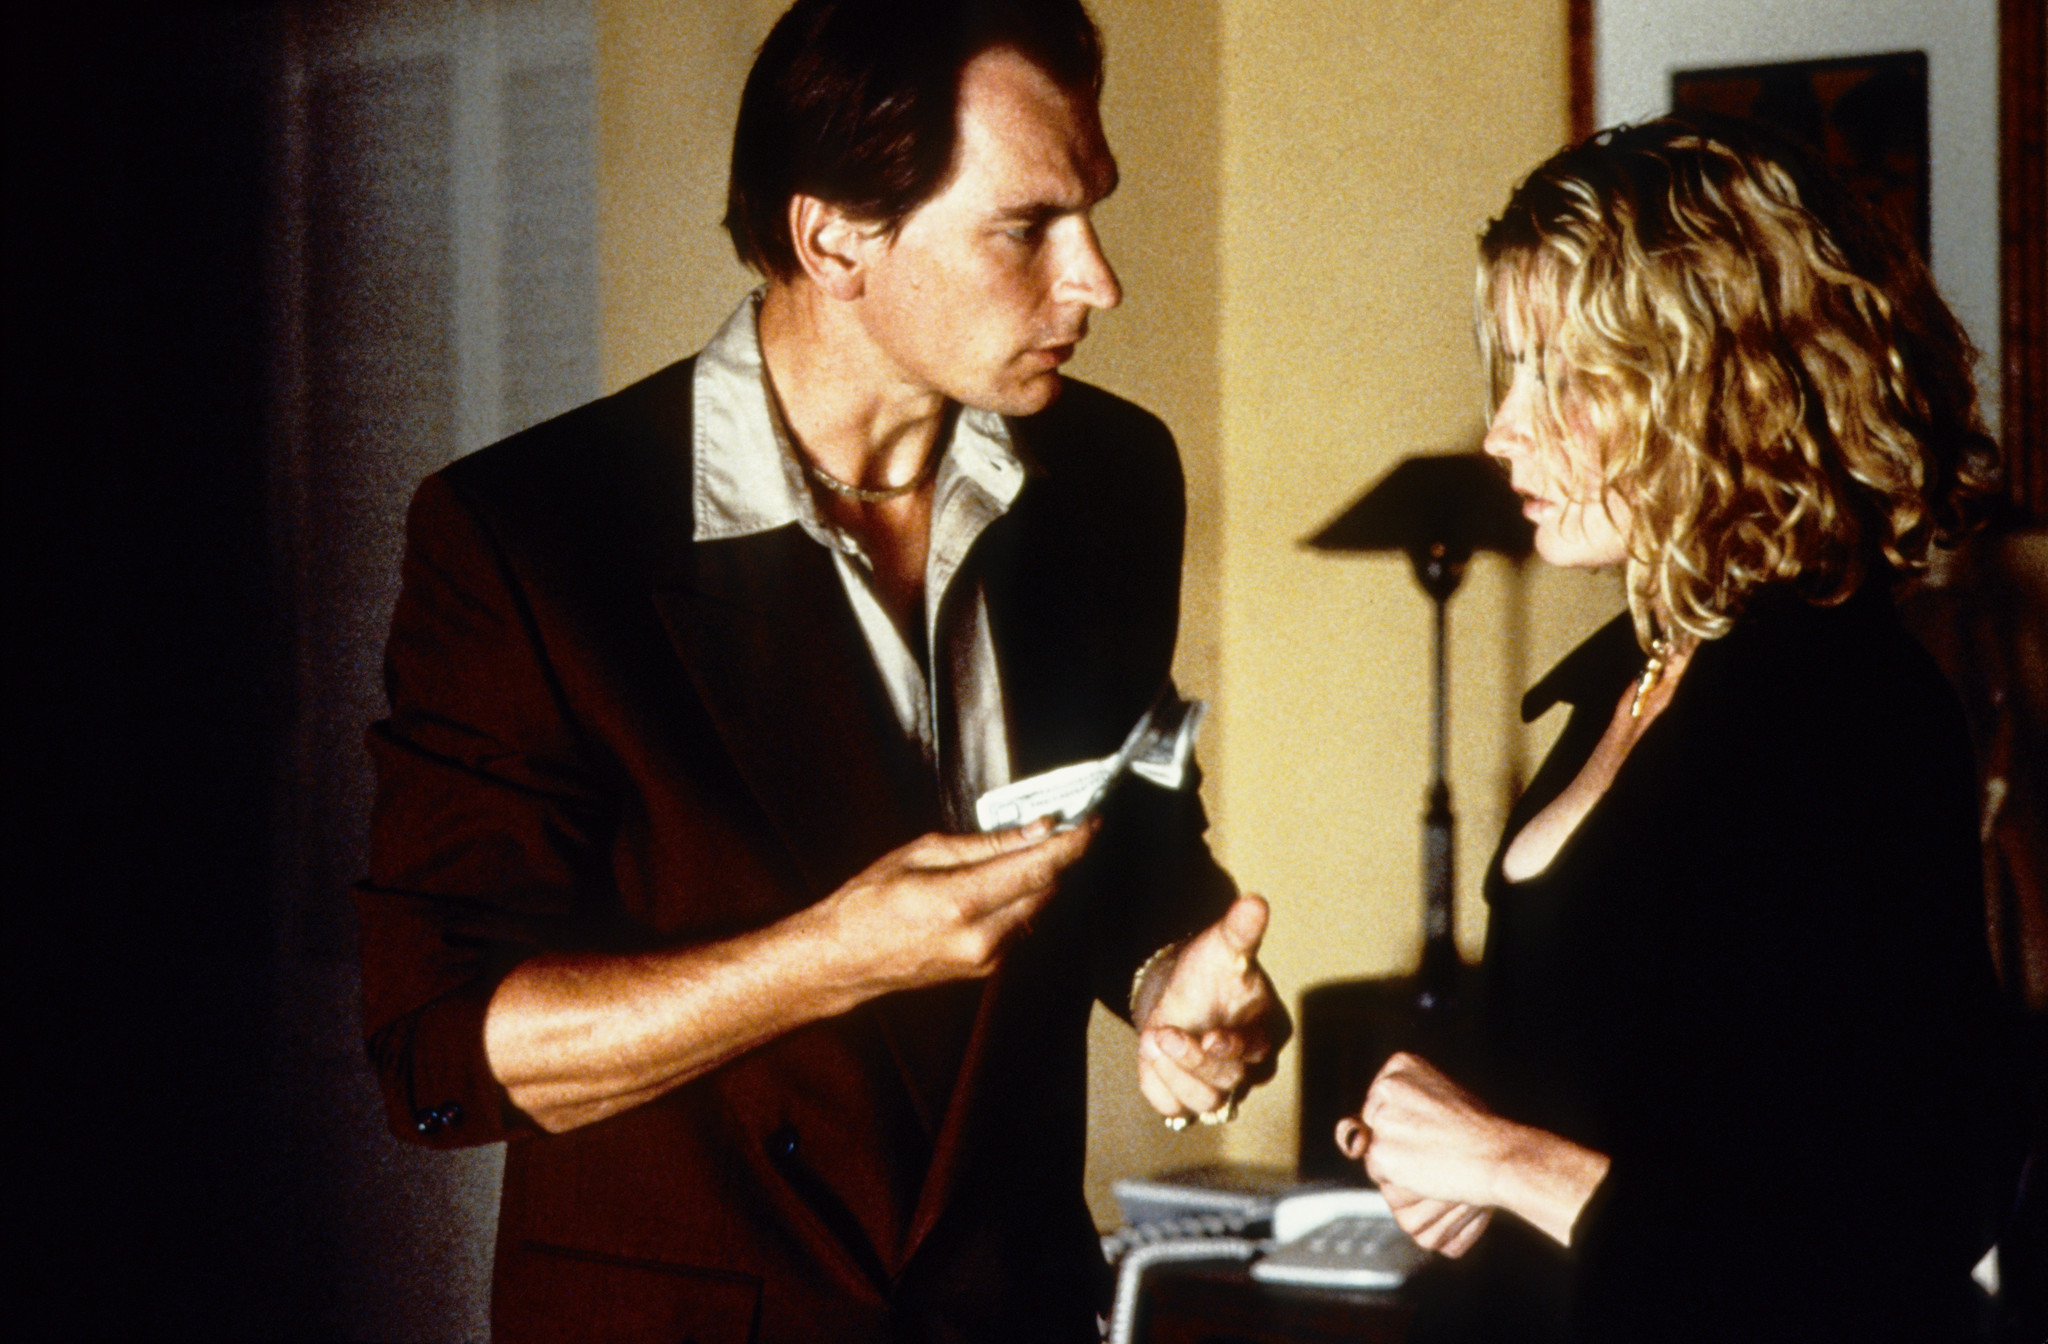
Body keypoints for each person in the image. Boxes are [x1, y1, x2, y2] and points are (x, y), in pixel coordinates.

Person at [354, 2, 1288, 1340]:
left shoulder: (1112, 478)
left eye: (1090, 212)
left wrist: (1168, 974)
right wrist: (827, 961)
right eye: (1027, 227)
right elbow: (440, 1048)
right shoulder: (528, 536)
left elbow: (1127, 824)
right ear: (833, 237)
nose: (1096, 280)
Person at [1336, 118, 2022, 1343]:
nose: (1501, 430)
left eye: (1562, 378)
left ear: (1720, 389)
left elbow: (1897, 1223)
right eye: (1510, 373)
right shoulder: (1636, 675)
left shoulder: (1842, 710)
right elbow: (1650, 1079)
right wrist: (1442, 1142)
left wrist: (1504, 1162)